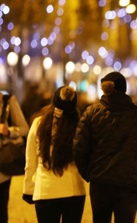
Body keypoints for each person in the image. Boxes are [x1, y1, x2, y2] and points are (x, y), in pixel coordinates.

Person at [73, 71, 137, 223]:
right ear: (124, 89)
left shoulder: (91, 113)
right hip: (129, 183)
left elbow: (79, 149)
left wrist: (89, 173)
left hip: (100, 183)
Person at [22, 86, 86, 222]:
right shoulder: (78, 125)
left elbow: (30, 160)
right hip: (73, 190)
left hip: (45, 190)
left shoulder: (39, 123)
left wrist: (28, 189)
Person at [0, 92, 29, 222]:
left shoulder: (7, 101)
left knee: (1, 209)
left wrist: (9, 131)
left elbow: (24, 128)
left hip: (2, 166)